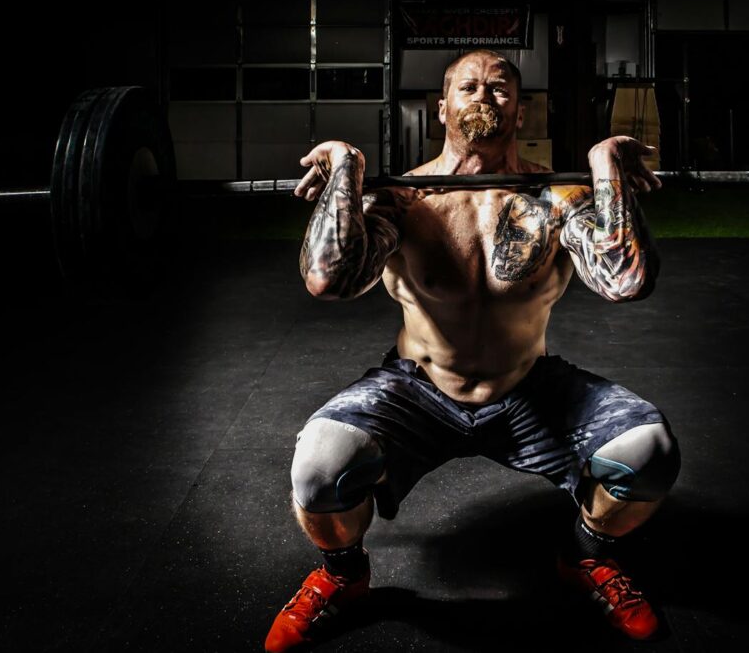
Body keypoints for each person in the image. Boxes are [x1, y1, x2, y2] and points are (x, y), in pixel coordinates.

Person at [265, 49, 681, 652]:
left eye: (500, 87)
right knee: (319, 467)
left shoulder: (555, 194)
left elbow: (626, 280)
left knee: (650, 452)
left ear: (520, 108)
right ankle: (343, 577)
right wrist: (346, 170)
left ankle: (588, 559)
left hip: (528, 387)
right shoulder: (403, 199)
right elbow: (329, 279)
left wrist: (604, 167)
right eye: (468, 87)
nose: (484, 96)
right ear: (443, 108)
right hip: (418, 390)